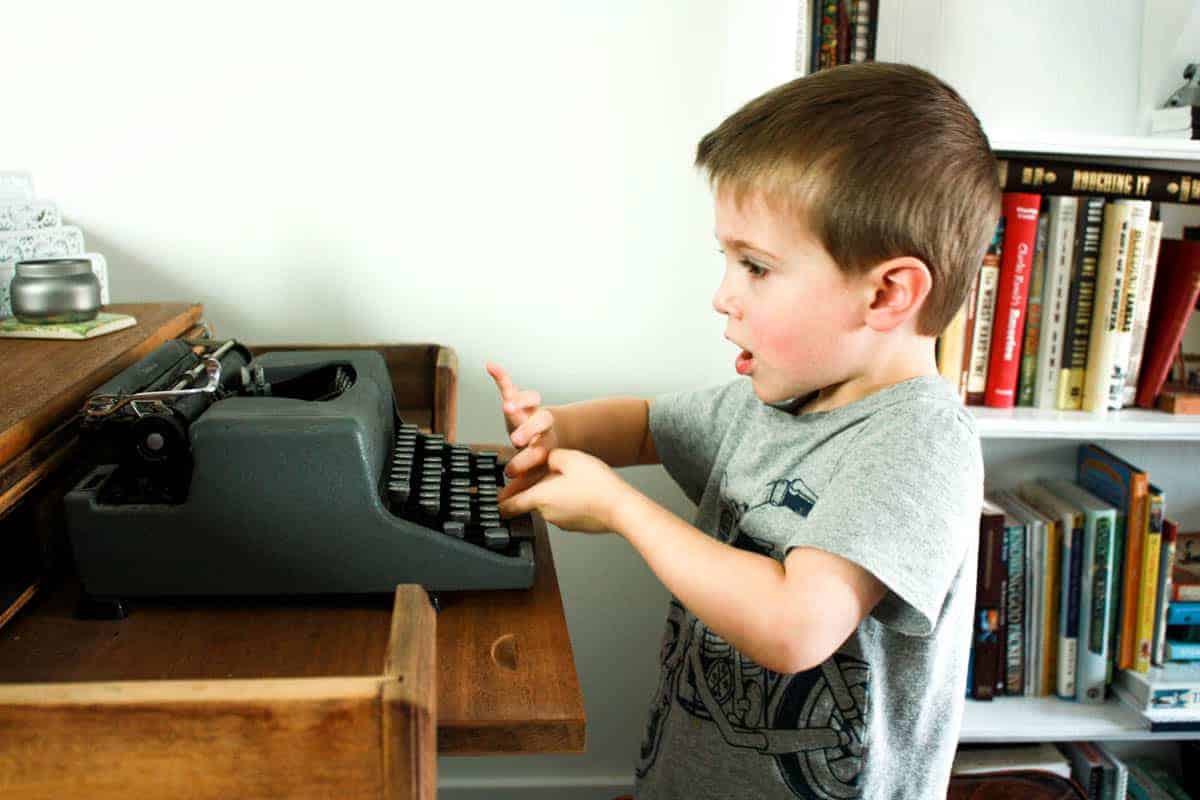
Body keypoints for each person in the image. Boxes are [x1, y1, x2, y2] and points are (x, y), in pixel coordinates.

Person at [488, 61, 1000, 799]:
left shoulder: (917, 445)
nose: (724, 296)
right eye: (727, 260)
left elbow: (797, 627)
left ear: (888, 292)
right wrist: (557, 428)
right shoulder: (776, 399)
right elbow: (644, 426)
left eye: (756, 267)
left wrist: (622, 511)